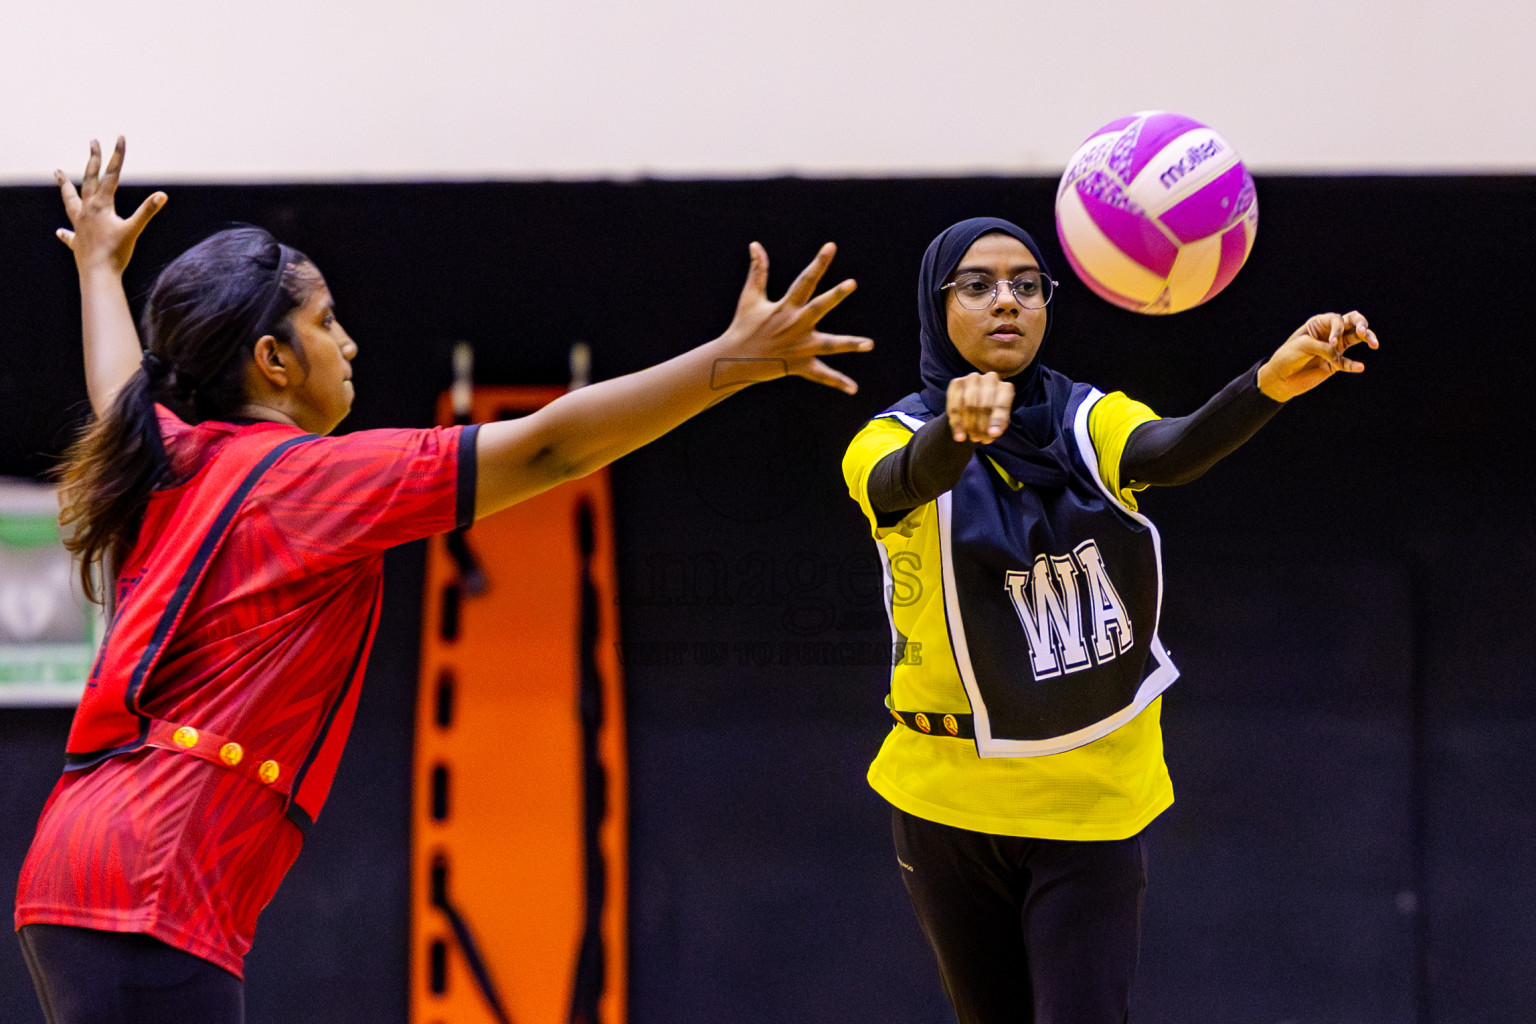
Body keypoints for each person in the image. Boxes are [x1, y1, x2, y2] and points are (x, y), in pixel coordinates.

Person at [14, 138, 872, 1024]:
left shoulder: (174, 457)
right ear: (271, 360)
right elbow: (552, 444)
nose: (348, 342)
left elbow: (117, 385)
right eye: (325, 321)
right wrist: (733, 361)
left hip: (78, 863)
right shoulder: (316, 482)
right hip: (157, 870)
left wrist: (98, 268)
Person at [841, 217, 1377, 1024]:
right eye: (978, 286)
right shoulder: (886, 438)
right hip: (945, 799)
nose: (1007, 302)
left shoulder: (1087, 417)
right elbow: (907, 479)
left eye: (1027, 284)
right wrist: (958, 432)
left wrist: (1267, 381)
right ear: (936, 305)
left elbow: (1174, 450)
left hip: (1088, 797)